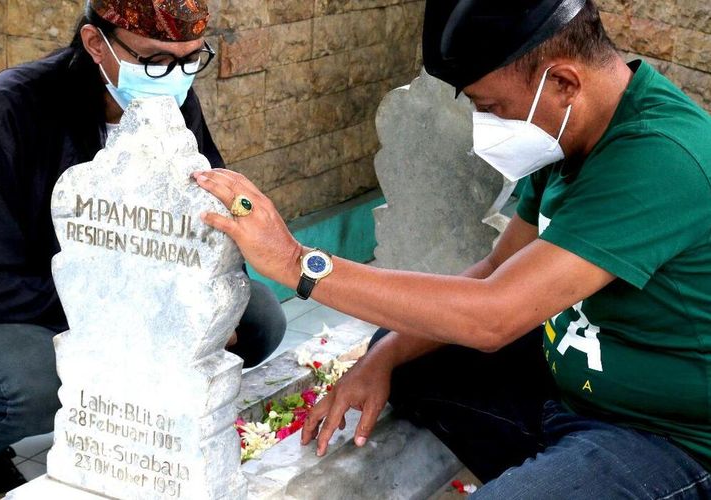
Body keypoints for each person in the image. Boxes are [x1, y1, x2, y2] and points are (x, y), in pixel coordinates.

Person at [193, 0, 711, 497]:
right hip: (574, 389)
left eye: (495, 109)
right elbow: (494, 269)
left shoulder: (660, 158)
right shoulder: (579, 128)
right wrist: (385, 357)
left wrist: (295, 262)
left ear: (563, 82)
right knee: (400, 348)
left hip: (669, 438)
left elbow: (493, 316)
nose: (489, 127)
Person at [0, 0, 286, 494]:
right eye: (156, 61)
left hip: (138, 294)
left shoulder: (172, 102)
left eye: (190, 60)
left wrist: (196, 306)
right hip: (14, 310)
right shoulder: (6, 110)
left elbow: (210, 220)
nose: (175, 77)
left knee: (256, 315)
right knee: (32, 382)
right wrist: (141, 325)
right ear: (97, 44)